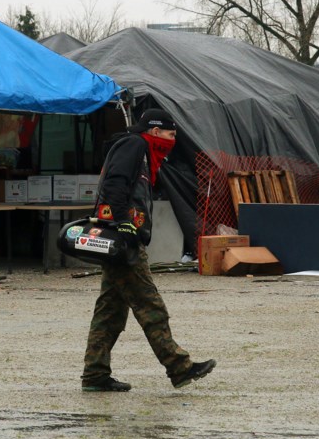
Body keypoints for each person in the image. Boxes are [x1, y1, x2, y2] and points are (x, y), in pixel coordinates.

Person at [81, 108, 217, 392]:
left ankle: (95, 375)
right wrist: (122, 222)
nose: (173, 140)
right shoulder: (135, 145)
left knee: (109, 312)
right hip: (123, 239)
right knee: (149, 305)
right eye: (170, 134)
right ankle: (179, 367)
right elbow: (115, 182)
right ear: (155, 131)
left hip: (122, 237)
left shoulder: (142, 151)